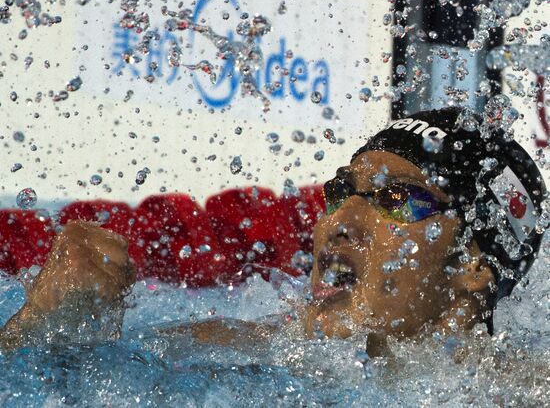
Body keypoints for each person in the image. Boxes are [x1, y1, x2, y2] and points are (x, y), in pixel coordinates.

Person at [0, 107, 545, 355]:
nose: (338, 222)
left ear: (473, 264)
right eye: (339, 192)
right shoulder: (237, 350)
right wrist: (48, 328)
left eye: (394, 200)